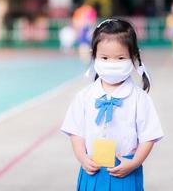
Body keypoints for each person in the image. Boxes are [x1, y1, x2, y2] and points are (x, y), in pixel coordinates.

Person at [61, 19, 164, 191]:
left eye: (120, 58)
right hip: (92, 169)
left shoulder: (139, 98)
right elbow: (75, 131)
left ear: (134, 57)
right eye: (105, 58)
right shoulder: (84, 96)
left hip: (125, 170)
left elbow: (149, 136)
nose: (112, 63)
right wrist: (82, 157)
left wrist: (134, 162)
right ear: (94, 56)